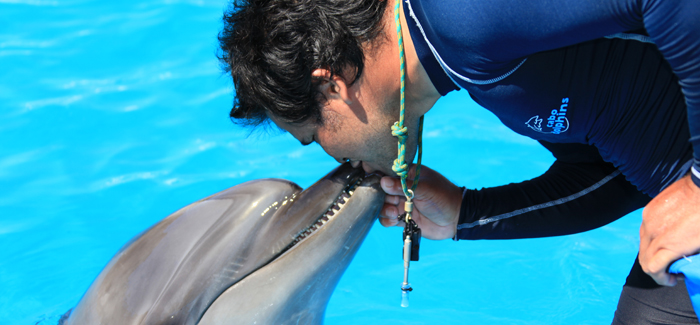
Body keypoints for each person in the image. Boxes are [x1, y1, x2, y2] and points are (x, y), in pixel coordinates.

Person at [217, 0, 700, 322]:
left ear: (331, 86)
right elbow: (618, 178)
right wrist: (466, 214)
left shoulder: (460, 14)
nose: (339, 159)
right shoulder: (474, 64)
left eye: (314, 136)